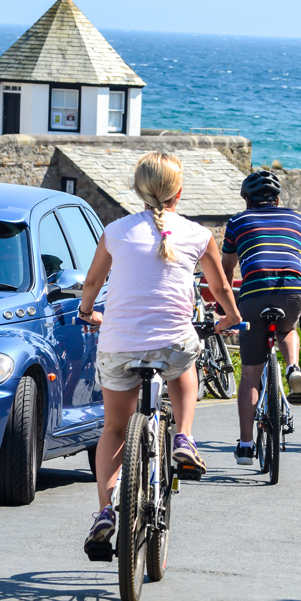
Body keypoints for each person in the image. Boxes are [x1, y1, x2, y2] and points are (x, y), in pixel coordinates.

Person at [79, 152, 241, 554]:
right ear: (179, 192)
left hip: (118, 342)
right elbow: (219, 290)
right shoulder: (199, 235)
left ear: (138, 190)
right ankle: (185, 437)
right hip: (171, 343)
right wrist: (231, 317)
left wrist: (88, 313)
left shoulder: (115, 230)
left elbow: (93, 282)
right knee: (186, 363)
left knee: (115, 428)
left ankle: (105, 511)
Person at [221, 170, 301, 465]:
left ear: (247, 199)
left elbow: (226, 273)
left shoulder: (237, 222)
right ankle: (292, 368)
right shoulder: (298, 220)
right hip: (293, 291)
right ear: (277, 198)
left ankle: (246, 445)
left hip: (255, 293)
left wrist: (225, 308)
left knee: (249, 374)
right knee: (288, 327)